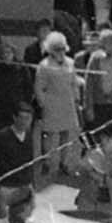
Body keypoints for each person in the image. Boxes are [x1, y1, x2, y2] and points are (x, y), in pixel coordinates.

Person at [34, 31, 82, 183]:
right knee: (49, 134)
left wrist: (77, 99)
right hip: (52, 103)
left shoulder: (70, 63)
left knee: (65, 133)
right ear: (50, 50)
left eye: (62, 48)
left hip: (67, 102)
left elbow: (74, 82)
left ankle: (63, 162)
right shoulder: (44, 66)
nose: (60, 52)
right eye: (57, 49)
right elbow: (39, 87)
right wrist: (43, 102)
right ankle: (47, 161)